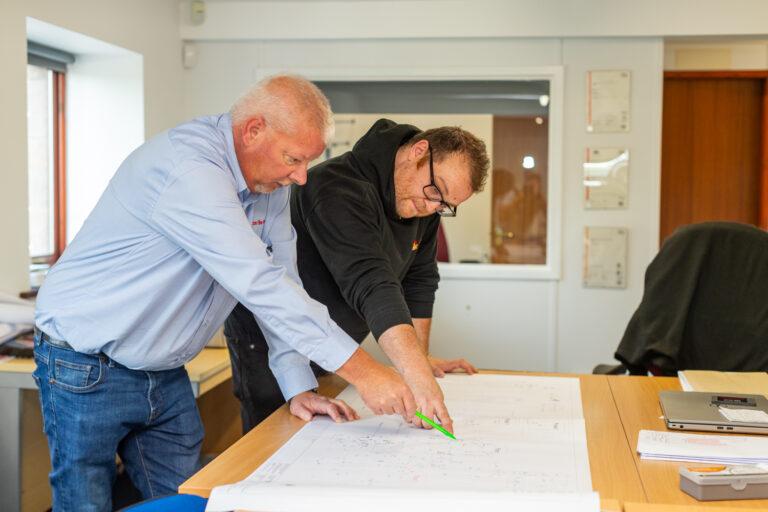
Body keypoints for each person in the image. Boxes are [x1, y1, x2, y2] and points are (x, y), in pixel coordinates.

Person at [33, 76, 426, 511]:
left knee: (191, 499)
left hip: (163, 370)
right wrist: (367, 373)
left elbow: (283, 281)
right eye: (293, 159)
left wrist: (297, 385)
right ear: (253, 129)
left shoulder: (268, 185)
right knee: (85, 502)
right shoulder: (189, 169)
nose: (300, 177)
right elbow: (258, 283)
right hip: (87, 363)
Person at [225, 118, 490, 432]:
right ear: (419, 152)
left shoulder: (424, 205)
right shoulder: (337, 187)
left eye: (445, 205)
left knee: (321, 434)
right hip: (271, 339)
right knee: (274, 439)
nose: (433, 206)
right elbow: (372, 284)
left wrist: (419, 359)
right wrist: (417, 377)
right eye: (436, 190)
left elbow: (419, 282)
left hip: (333, 343)